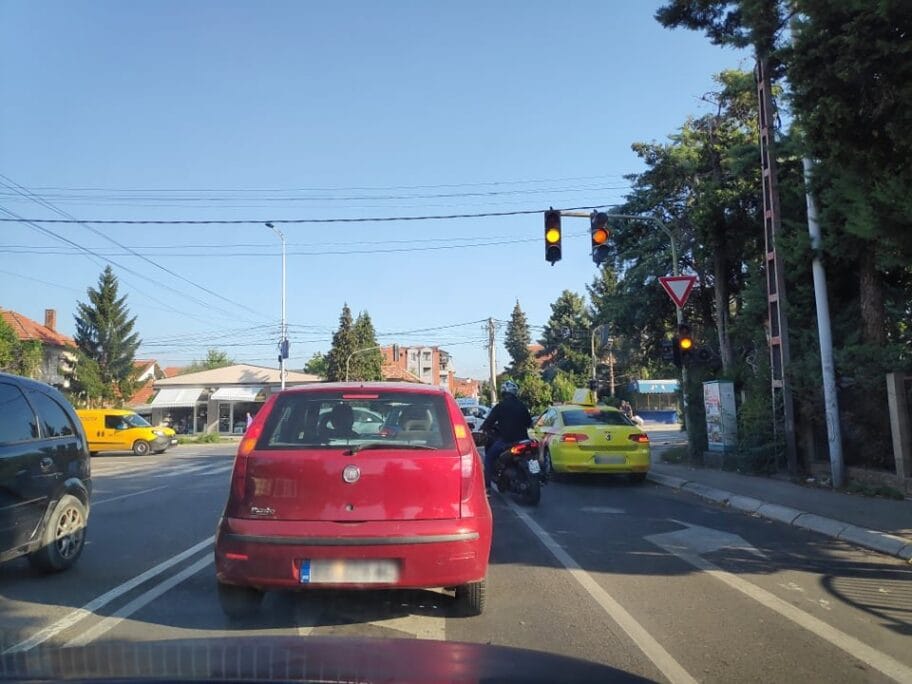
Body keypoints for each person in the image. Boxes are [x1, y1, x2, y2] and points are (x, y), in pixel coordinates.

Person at [479, 380, 532, 491]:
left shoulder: (500, 406)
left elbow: (489, 421)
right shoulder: (522, 406)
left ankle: (487, 488)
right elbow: (529, 423)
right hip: (523, 440)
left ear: (503, 393)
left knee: (488, 458)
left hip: (506, 441)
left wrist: (484, 428)